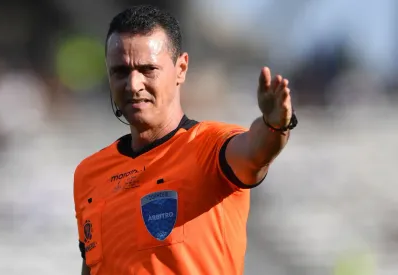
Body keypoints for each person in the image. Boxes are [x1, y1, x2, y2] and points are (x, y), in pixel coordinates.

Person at [73, 5, 298, 275]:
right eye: (120, 71)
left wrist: (275, 124)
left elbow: (256, 152)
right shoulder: (89, 174)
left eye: (148, 69)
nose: (133, 85)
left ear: (181, 68)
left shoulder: (210, 147)